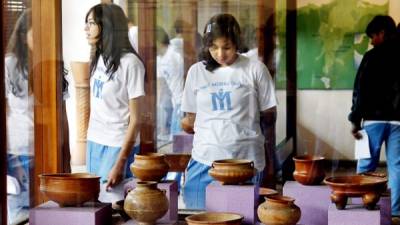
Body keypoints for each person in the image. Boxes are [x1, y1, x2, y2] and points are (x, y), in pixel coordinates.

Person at [181, 13, 277, 209]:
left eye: (227, 47)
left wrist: (270, 161)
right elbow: (191, 118)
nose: (220, 54)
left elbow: (269, 117)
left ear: (237, 43)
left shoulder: (255, 69)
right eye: (213, 47)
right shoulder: (197, 72)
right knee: (197, 216)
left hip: (246, 160)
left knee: (243, 218)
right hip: (204, 159)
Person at [84, 3, 145, 190]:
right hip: (95, 140)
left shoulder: (131, 64)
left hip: (117, 144)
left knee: (113, 205)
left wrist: (120, 163)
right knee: (95, 203)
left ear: (108, 26)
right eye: (86, 23)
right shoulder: (97, 57)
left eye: (91, 23)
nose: (85, 29)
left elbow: (136, 120)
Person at [348, 15, 400, 219]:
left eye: (373, 36)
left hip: (373, 121)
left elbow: (360, 91)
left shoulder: (372, 57)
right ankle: (396, 210)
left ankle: (363, 208)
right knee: (397, 166)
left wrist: (354, 120)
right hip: (398, 121)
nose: (371, 41)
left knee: (366, 165)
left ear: (382, 33)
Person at [4, 9, 34, 223]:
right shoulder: (9, 63)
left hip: (43, 145)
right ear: (24, 36)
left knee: (41, 208)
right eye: (36, 32)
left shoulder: (50, 64)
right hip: (17, 146)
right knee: (19, 210)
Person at [155, 26, 184, 145]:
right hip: (174, 101)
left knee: (177, 141)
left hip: (182, 100)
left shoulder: (174, 53)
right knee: (173, 139)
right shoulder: (159, 59)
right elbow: (161, 84)